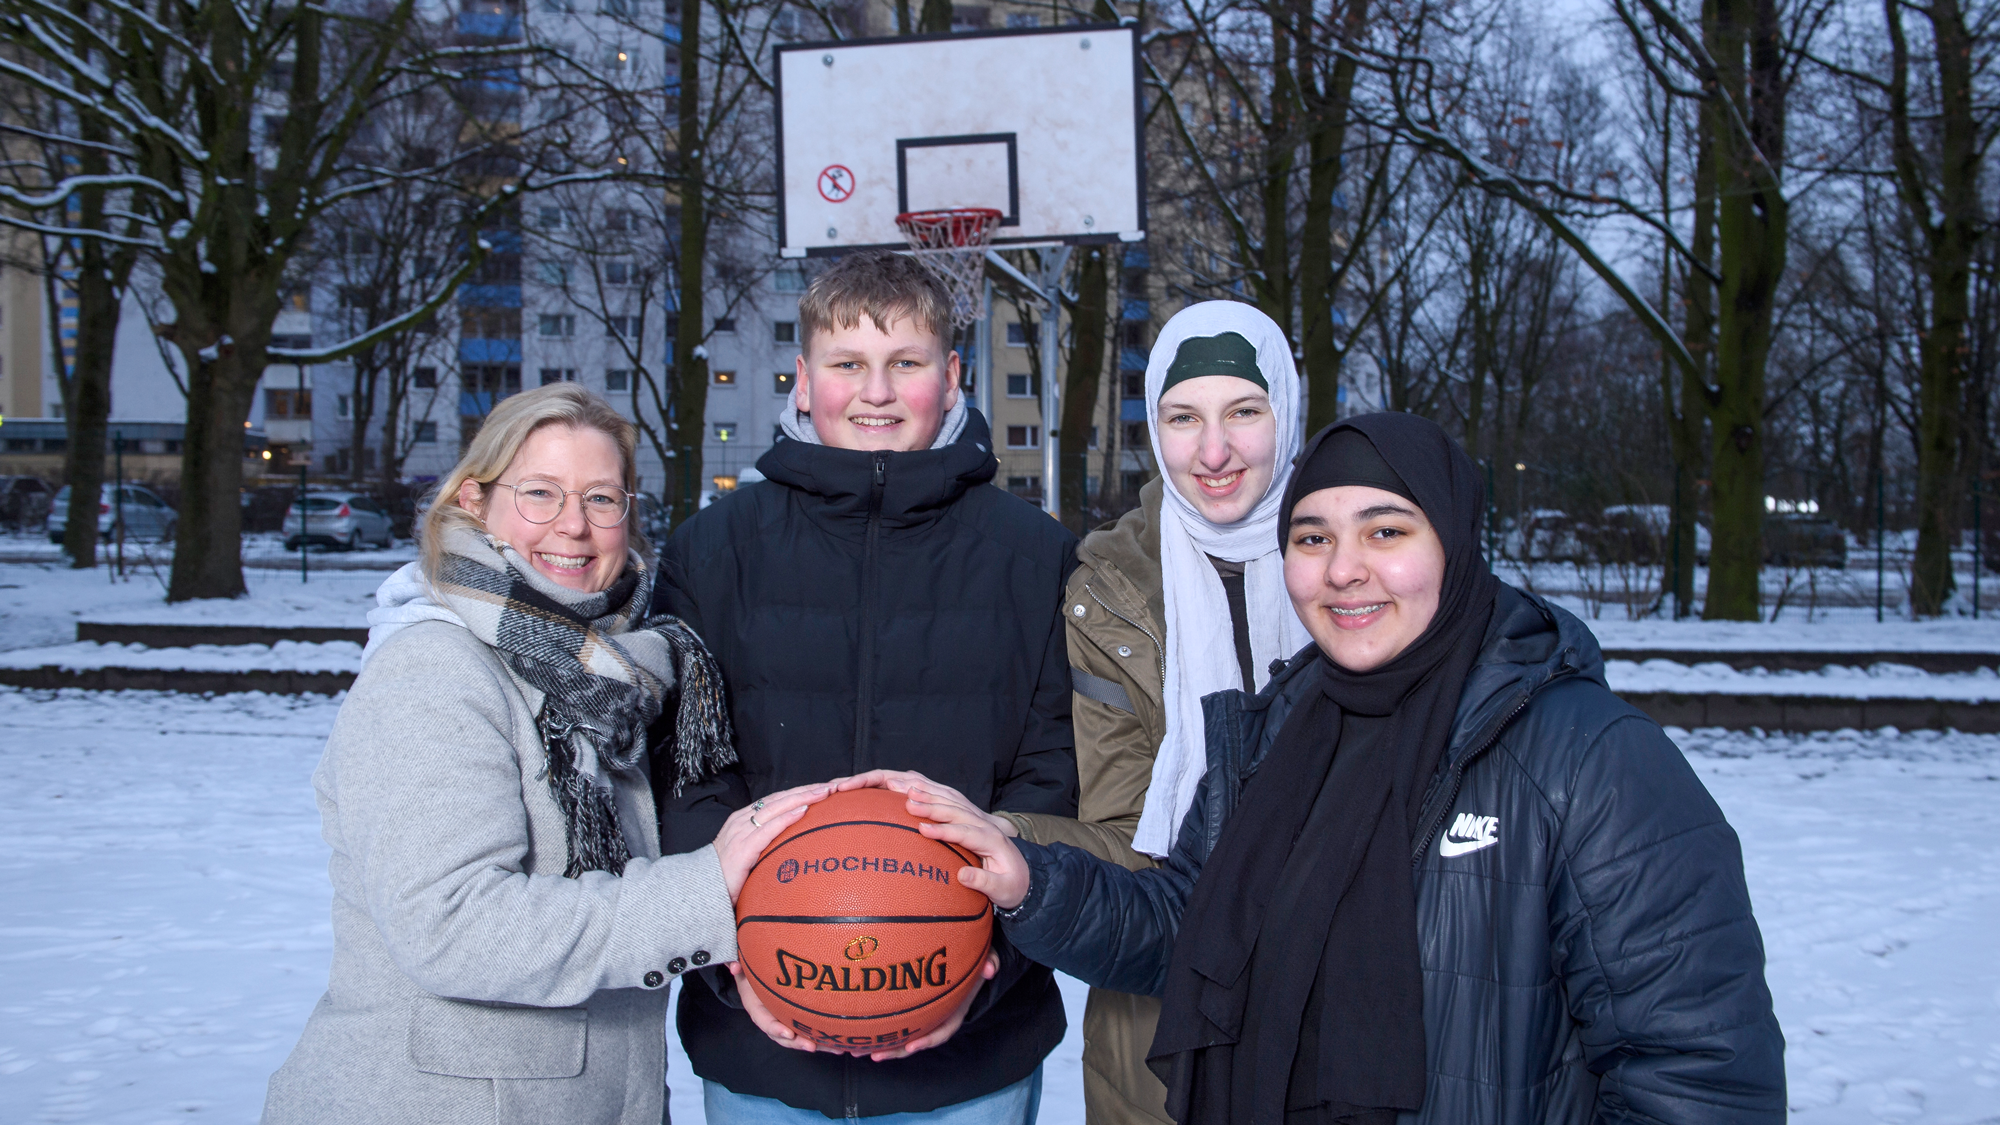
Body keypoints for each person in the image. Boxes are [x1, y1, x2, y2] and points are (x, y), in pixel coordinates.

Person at [908, 413, 1787, 1124]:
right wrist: (1033, 880)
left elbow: (1699, 1075)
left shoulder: (1587, 757)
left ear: (1454, 539)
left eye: (1387, 530)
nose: (1344, 570)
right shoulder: (1275, 732)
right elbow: (1187, 927)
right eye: (1312, 536)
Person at [262, 385, 827, 1125]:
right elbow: (453, 925)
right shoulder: (433, 668)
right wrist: (703, 890)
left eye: (601, 498)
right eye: (539, 493)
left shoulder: (613, 681)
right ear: (473, 503)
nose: (573, 527)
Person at [654, 250, 1079, 1123]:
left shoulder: (1035, 556)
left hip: (975, 1042)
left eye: (906, 364)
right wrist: (745, 958)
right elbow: (684, 776)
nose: (876, 392)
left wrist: (976, 955)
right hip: (757, 1037)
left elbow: (1056, 772)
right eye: (848, 364)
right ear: (804, 380)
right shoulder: (710, 551)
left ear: (952, 376)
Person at [989, 301, 1308, 1125]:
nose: (1213, 450)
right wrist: (998, 840)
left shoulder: (1356, 560)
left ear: (1289, 409)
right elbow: (1130, 836)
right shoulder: (1109, 594)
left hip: (1344, 1005)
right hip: (1159, 1029)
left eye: (1244, 410)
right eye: (1183, 416)